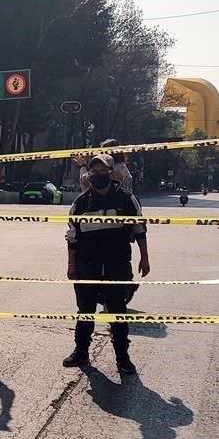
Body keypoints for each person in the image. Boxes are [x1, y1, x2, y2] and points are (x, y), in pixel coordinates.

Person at [64, 154, 149, 372]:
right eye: (94, 172)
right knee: (85, 311)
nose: (98, 175)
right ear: (89, 174)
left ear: (111, 173)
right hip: (87, 265)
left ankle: (123, 358)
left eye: (102, 171)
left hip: (117, 265)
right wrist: (71, 265)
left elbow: (139, 229)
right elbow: (72, 237)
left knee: (117, 312)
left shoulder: (126, 200)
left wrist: (145, 258)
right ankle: (80, 353)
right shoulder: (80, 203)